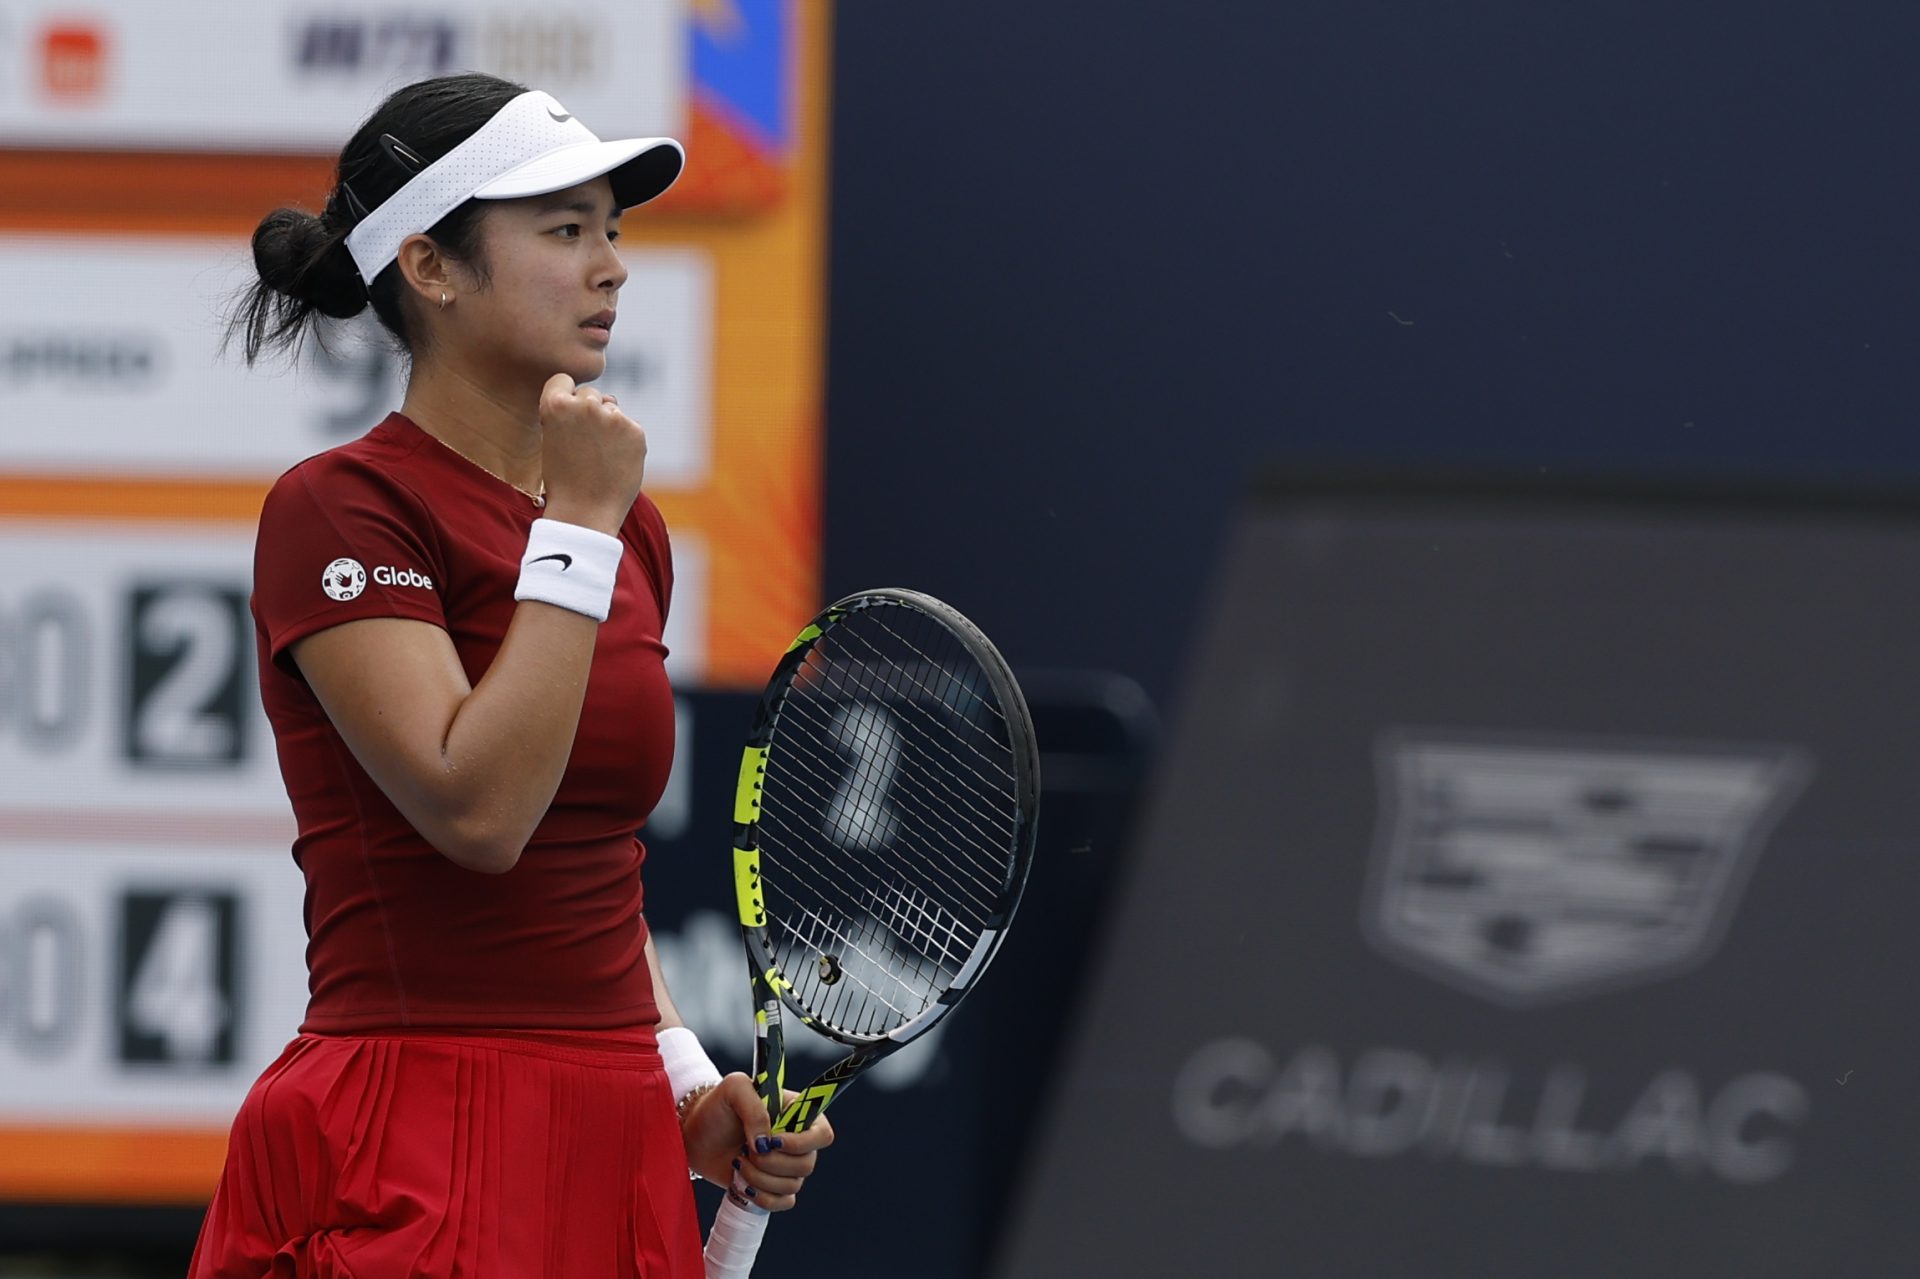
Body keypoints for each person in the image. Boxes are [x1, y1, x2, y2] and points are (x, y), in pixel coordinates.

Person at [188, 72, 831, 1277]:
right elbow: (478, 812)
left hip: (611, 1131)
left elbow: (588, 861)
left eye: (614, 229)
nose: (611, 266)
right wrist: (580, 524)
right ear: (429, 267)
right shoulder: (342, 509)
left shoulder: (625, 531)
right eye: (563, 228)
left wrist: (689, 1087)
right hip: (405, 1131)